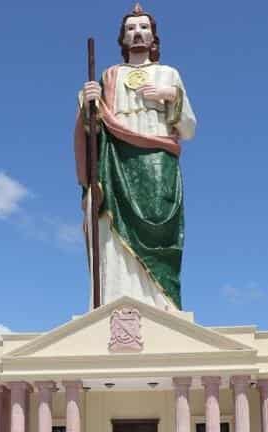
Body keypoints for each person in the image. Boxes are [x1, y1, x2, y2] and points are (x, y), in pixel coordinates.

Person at [76, 3, 196, 311]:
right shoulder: (110, 76)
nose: (137, 33)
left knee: (160, 225)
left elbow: (189, 129)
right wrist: (89, 104)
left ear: (154, 38)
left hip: (157, 158)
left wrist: (170, 96)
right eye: (131, 29)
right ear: (123, 39)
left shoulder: (168, 74)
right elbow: (94, 128)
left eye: (144, 28)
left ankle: (161, 303)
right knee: (111, 229)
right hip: (116, 161)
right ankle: (115, 297)